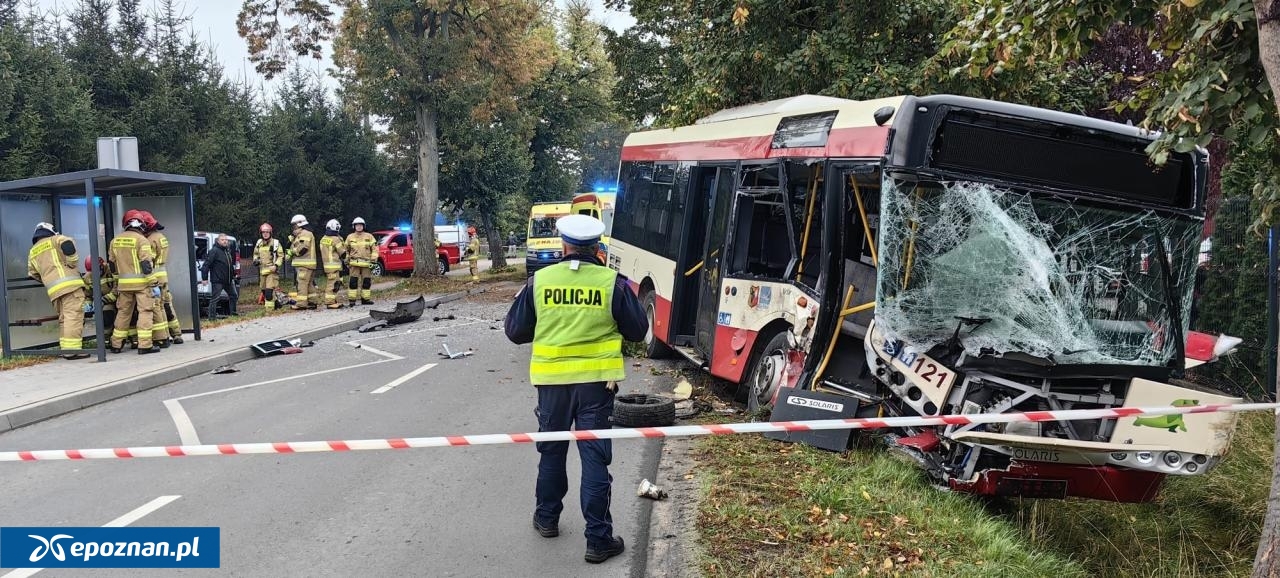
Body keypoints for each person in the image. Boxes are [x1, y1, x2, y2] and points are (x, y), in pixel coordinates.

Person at [503, 214, 648, 565]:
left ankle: (547, 518)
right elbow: (638, 329)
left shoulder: (540, 282)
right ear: (597, 247)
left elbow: (515, 331)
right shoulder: (612, 283)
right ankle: (598, 539)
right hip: (597, 385)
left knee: (552, 451)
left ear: (564, 245)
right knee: (594, 457)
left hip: (552, 384)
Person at [27, 222, 89, 360]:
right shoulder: (56, 239)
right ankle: (72, 350)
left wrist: (48, 279)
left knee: (64, 319)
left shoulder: (33, 251)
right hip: (70, 286)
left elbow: (33, 273)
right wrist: (72, 263)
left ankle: (66, 349)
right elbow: (68, 243)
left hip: (53, 291)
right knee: (73, 317)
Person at [110, 211, 161, 355]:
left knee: (123, 313)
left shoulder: (115, 240)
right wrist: (154, 283)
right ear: (141, 225)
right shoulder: (141, 240)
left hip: (123, 285)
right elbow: (146, 264)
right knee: (145, 312)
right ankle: (145, 345)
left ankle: (116, 344)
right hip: (142, 284)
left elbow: (112, 265)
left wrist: (117, 281)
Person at [139, 212, 182, 347]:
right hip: (163, 275)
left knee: (158, 307)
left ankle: (164, 336)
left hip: (155, 278)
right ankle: (176, 334)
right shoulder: (161, 237)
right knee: (167, 305)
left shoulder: (150, 240)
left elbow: (148, 261)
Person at [201, 234, 237, 319]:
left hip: (228, 280)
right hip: (218, 280)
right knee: (215, 299)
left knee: (234, 295)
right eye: (222, 240)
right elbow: (206, 265)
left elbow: (229, 265)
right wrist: (204, 278)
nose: (225, 241)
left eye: (226, 240)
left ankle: (233, 314)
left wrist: (233, 275)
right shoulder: (214, 251)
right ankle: (212, 317)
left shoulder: (227, 251)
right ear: (218, 241)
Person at [253, 223, 285, 311]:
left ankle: (269, 310)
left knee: (268, 292)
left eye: (267, 232)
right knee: (263, 290)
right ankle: (277, 304)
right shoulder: (259, 243)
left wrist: (276, 265)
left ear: (270, 233)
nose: (265, 234)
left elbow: (281, 256)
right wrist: (256, 260)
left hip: (272, 272)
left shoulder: (275, 243)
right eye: (263, 232)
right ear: (261, 233)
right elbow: (255, 254)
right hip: (262, 272)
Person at [345, 217, 377, 305]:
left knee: (366, 282)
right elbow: (346, 250)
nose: (359, 227)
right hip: (354, 263)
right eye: (357, 225)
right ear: (354, 226)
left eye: (360, 225)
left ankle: (365, 299)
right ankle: (352, 300)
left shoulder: (369, 236)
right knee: (353, 282)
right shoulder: (350, 237)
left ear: (363, 226)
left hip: (366, 264)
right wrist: (347, 260)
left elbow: (375, 249)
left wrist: (373, 260)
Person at [289, 214, 318, 310]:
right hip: (309, 264)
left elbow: (302, 249)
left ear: (300, 224)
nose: (293, 227)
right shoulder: (303, 234)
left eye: (295, 225)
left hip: (304, 265)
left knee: (301, 283)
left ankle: (301, 304)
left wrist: (292, 251)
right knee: (309, 284)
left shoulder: (304, 234)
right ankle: (312, 302)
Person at [83, 256, 117, 336]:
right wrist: (88, 305)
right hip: (106, 303)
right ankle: (106, 337)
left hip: (118, 298)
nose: (94, 273)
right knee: (106, 315)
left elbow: (117, 288)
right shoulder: (88, 277)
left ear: (101, 265)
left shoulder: (112, 270)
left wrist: (103, 300)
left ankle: (130, 337)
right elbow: (87, 294)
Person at [319, 219, 347, 309]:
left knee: (333, 283)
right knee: (333, 284)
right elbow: (342, 253)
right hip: (335, 265)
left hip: (327, 265)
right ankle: (330, 302)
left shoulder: (323, 239)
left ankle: (332, 300)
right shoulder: (336, 239)